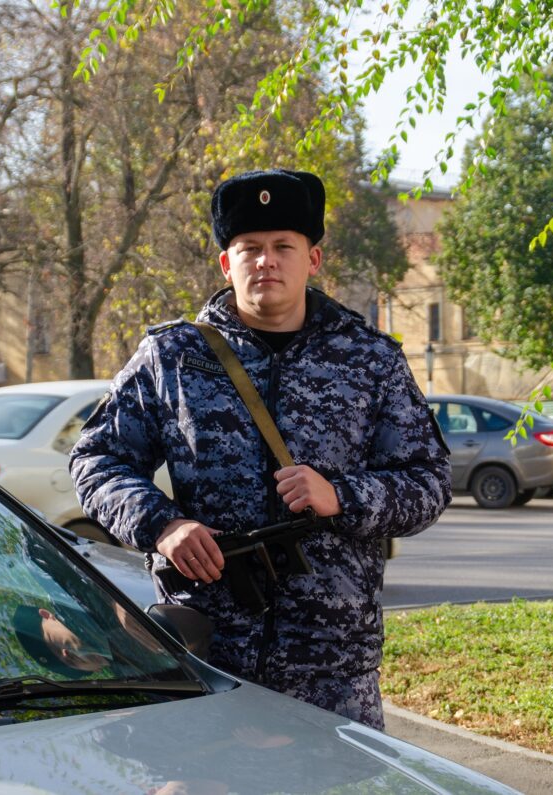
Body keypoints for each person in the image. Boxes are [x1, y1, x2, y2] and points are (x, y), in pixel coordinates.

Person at [69, 168, 451, 730]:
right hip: (207, 657)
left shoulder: (370, 359)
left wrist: (342, 496)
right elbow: (96, 458)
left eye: (282, 247)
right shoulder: (173, 356)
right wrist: (162, 525)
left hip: (331, 671)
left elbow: (430, 479)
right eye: (248, 248)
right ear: (227, 263)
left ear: (312, 260)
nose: (265, 261)